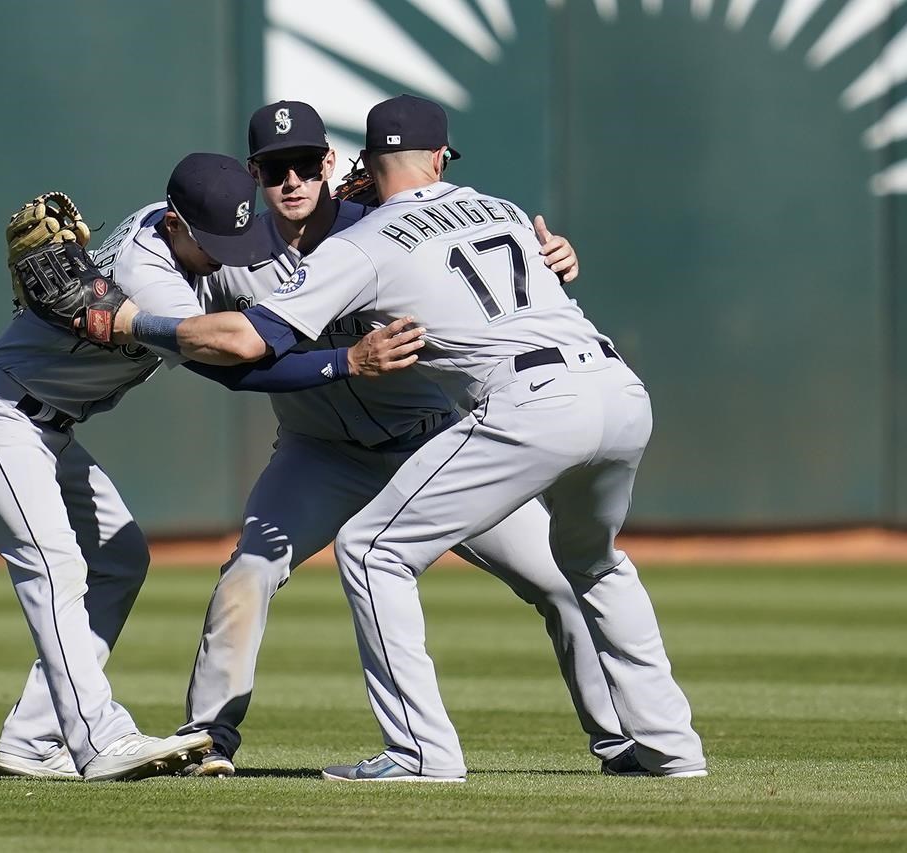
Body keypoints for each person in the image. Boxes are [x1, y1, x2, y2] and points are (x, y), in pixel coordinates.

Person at [94, 95, 707, 782]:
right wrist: (341, 361)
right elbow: (226, 359)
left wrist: (553, 256)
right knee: (249, 572)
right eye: (274, 169)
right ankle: (209, 736)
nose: (291, 180)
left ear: (333, 162)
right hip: (317, 452)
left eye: (304, 164)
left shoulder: (372, 231)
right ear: (255, 175)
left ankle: (621, 744)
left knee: (559, 580)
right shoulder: (236, 258)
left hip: (433, 438)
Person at [0, 153, 418, 781]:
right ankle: (98, 738)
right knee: (53, 567)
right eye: (215, 241)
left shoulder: (199, 234)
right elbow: (234, 363)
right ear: (175, 226)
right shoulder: (147, 267)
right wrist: (345, 362)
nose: (230, 253)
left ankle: (33, 738)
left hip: (42, 424)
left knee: (121, 559)